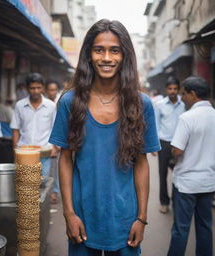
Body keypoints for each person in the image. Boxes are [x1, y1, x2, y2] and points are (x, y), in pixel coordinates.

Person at [49, 19, 160, 256]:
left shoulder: (142, 105)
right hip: (82, 218)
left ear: (125, 56)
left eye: (115, 50)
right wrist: (69, 214)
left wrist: (141, 218)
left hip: (125, 220)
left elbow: (142, 163)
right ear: (89, 55)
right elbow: (65, 159)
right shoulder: (70, 102)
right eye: (99, 50)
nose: (107, 58)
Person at [167, 76, 215, 256]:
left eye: (184, 94)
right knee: (205, 228)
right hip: (208, 183)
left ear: (193, 94)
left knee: (181, 229)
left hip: (186, 184)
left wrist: (173, 150)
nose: (182, 98)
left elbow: (177, 151)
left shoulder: (187, 117)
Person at [11, 73, 58, 177]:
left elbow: (55, 128)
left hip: (44, 152)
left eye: (38, 88)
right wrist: (15, 151)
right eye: (32, 88)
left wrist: (55, 147)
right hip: (24, 152)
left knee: (43, 182)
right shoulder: (20, 105)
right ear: (27, 88)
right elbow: (15, 130)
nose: (36, 91)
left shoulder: (51, 106)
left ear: (43, 88)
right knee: (26, 185)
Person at [154, 77, 185, 214]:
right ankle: (164, 202)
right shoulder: (160, 104)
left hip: (180, 142)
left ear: (178, 89)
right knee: (163, 173)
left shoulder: (184, 104)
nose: (172, 91)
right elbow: (155, 124)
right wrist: (154, 146)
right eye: (170, 89)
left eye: (175, 89)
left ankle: (177, 202)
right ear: (166, 90)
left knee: (179, 172)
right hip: (164, 143)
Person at [44, 80, 61, 203]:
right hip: (45, 141)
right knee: (45, 171)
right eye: (50, 89)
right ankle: (45, 193)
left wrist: (57, 144)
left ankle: (54, 191)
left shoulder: (59, 102)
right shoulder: (46, 105)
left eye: (55, 89)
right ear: (46, 90)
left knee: (54, 170)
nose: (53, 92)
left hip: (55, 142)